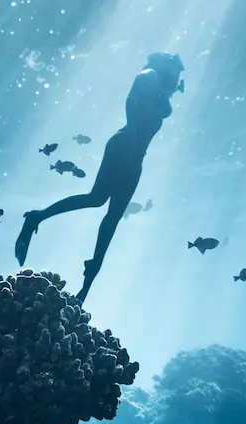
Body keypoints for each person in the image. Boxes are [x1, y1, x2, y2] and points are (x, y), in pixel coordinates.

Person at [15, 52, 185, 303]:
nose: (179, 78)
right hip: (125, 143)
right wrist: (131, 129)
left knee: (113, 218)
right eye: (177, 72)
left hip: (137, 158)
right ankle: (36, 217)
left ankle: (86, 286)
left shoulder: (161, 90)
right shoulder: (149, 75)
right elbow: (131, 100)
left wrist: (169, 92)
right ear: (167, 67)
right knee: (96, 199)